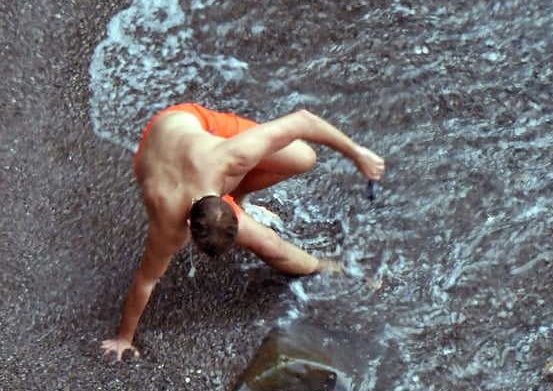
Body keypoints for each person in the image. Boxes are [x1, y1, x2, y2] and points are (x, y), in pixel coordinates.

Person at [100, 103, 386, 361]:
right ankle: (325, 267)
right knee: (268, 244)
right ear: (188, 227)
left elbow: (304, 120)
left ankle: (240, 197)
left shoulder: (230, 156)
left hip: (191, 124)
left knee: (304, 157)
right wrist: (124, 338)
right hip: (157, 144)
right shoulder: (168, 225)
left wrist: (357, 153)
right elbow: (145, 281)